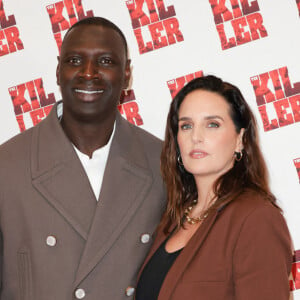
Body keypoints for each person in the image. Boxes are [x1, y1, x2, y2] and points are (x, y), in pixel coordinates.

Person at [0, 17, 165, 299]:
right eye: (75, 60)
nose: (88, 73)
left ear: (127, 75)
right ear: (58, 70)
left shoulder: (162, 164)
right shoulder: (8, 166)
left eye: (105, 62)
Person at [135, 75, 292, 300]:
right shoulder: (171, 221)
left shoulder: (256, 218)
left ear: (240, 140)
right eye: (186, 125)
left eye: (212, 124)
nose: (196, 137)